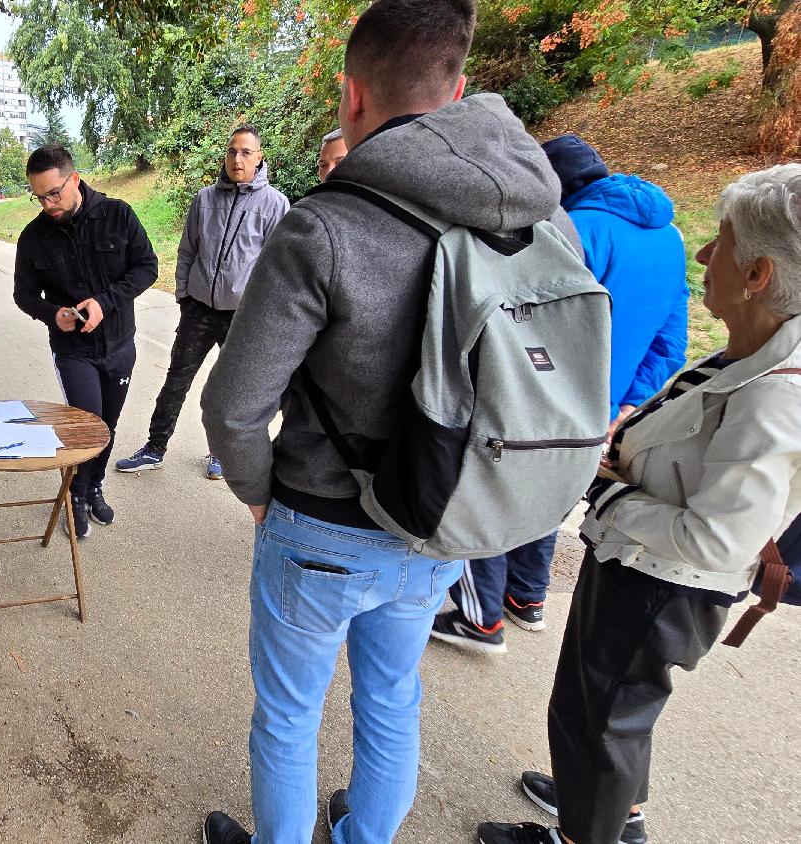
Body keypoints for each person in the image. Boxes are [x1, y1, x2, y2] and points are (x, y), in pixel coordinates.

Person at [198, 0, 576, 841]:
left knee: (290, 721)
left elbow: (233, 405)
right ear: (460, 88)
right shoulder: (541, 221)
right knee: (393, 705)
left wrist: (259, 495)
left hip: (320, 525)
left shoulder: (325, 226)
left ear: (352, 95)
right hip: (439, 522)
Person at [477, 165, 801, 844]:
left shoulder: (776, 395)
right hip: (644, 566)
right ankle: (607, 808)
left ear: (758, 275)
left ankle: (585, 828)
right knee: (612, 716)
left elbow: (719, 541)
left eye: (723, 242)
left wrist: (610, 493)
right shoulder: (754, 354)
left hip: (663, 586)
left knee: (598, 720)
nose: (706, 255)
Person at [431, 134, 691, 654]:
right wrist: (623, 403)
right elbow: (671, 339)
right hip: (601, 408)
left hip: (544, 394)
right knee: (551, 494)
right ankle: (526, 596)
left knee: (492, 491)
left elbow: (527, 316)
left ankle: (480, 617)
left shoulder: (573, 230)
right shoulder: (670, 239)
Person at [115, 125, 291, 481]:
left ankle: (219, 455)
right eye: (231, 151)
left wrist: (260, 311)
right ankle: (154, 448)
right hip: (198, 309)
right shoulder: (205, 199)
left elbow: (277, 266)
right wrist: (183, 293)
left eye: (245, 152)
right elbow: (187, 251)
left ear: (259, 158)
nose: (237, 159)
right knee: (176, 380)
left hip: (241, 317)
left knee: (229, 391)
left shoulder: (275, 205)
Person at [13, 143, 158, 538]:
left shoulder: (117, 215)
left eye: (54, 193)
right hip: (73, 350)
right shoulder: (34, 237)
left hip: (119, 345)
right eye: (39, 196)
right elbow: (24, 296)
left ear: (74, 179)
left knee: (107, 426)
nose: (47, 204)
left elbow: (148, 267)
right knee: (85, 427)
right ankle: (75, 494)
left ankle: (95, 486)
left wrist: (105, 302)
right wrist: (51, 314)